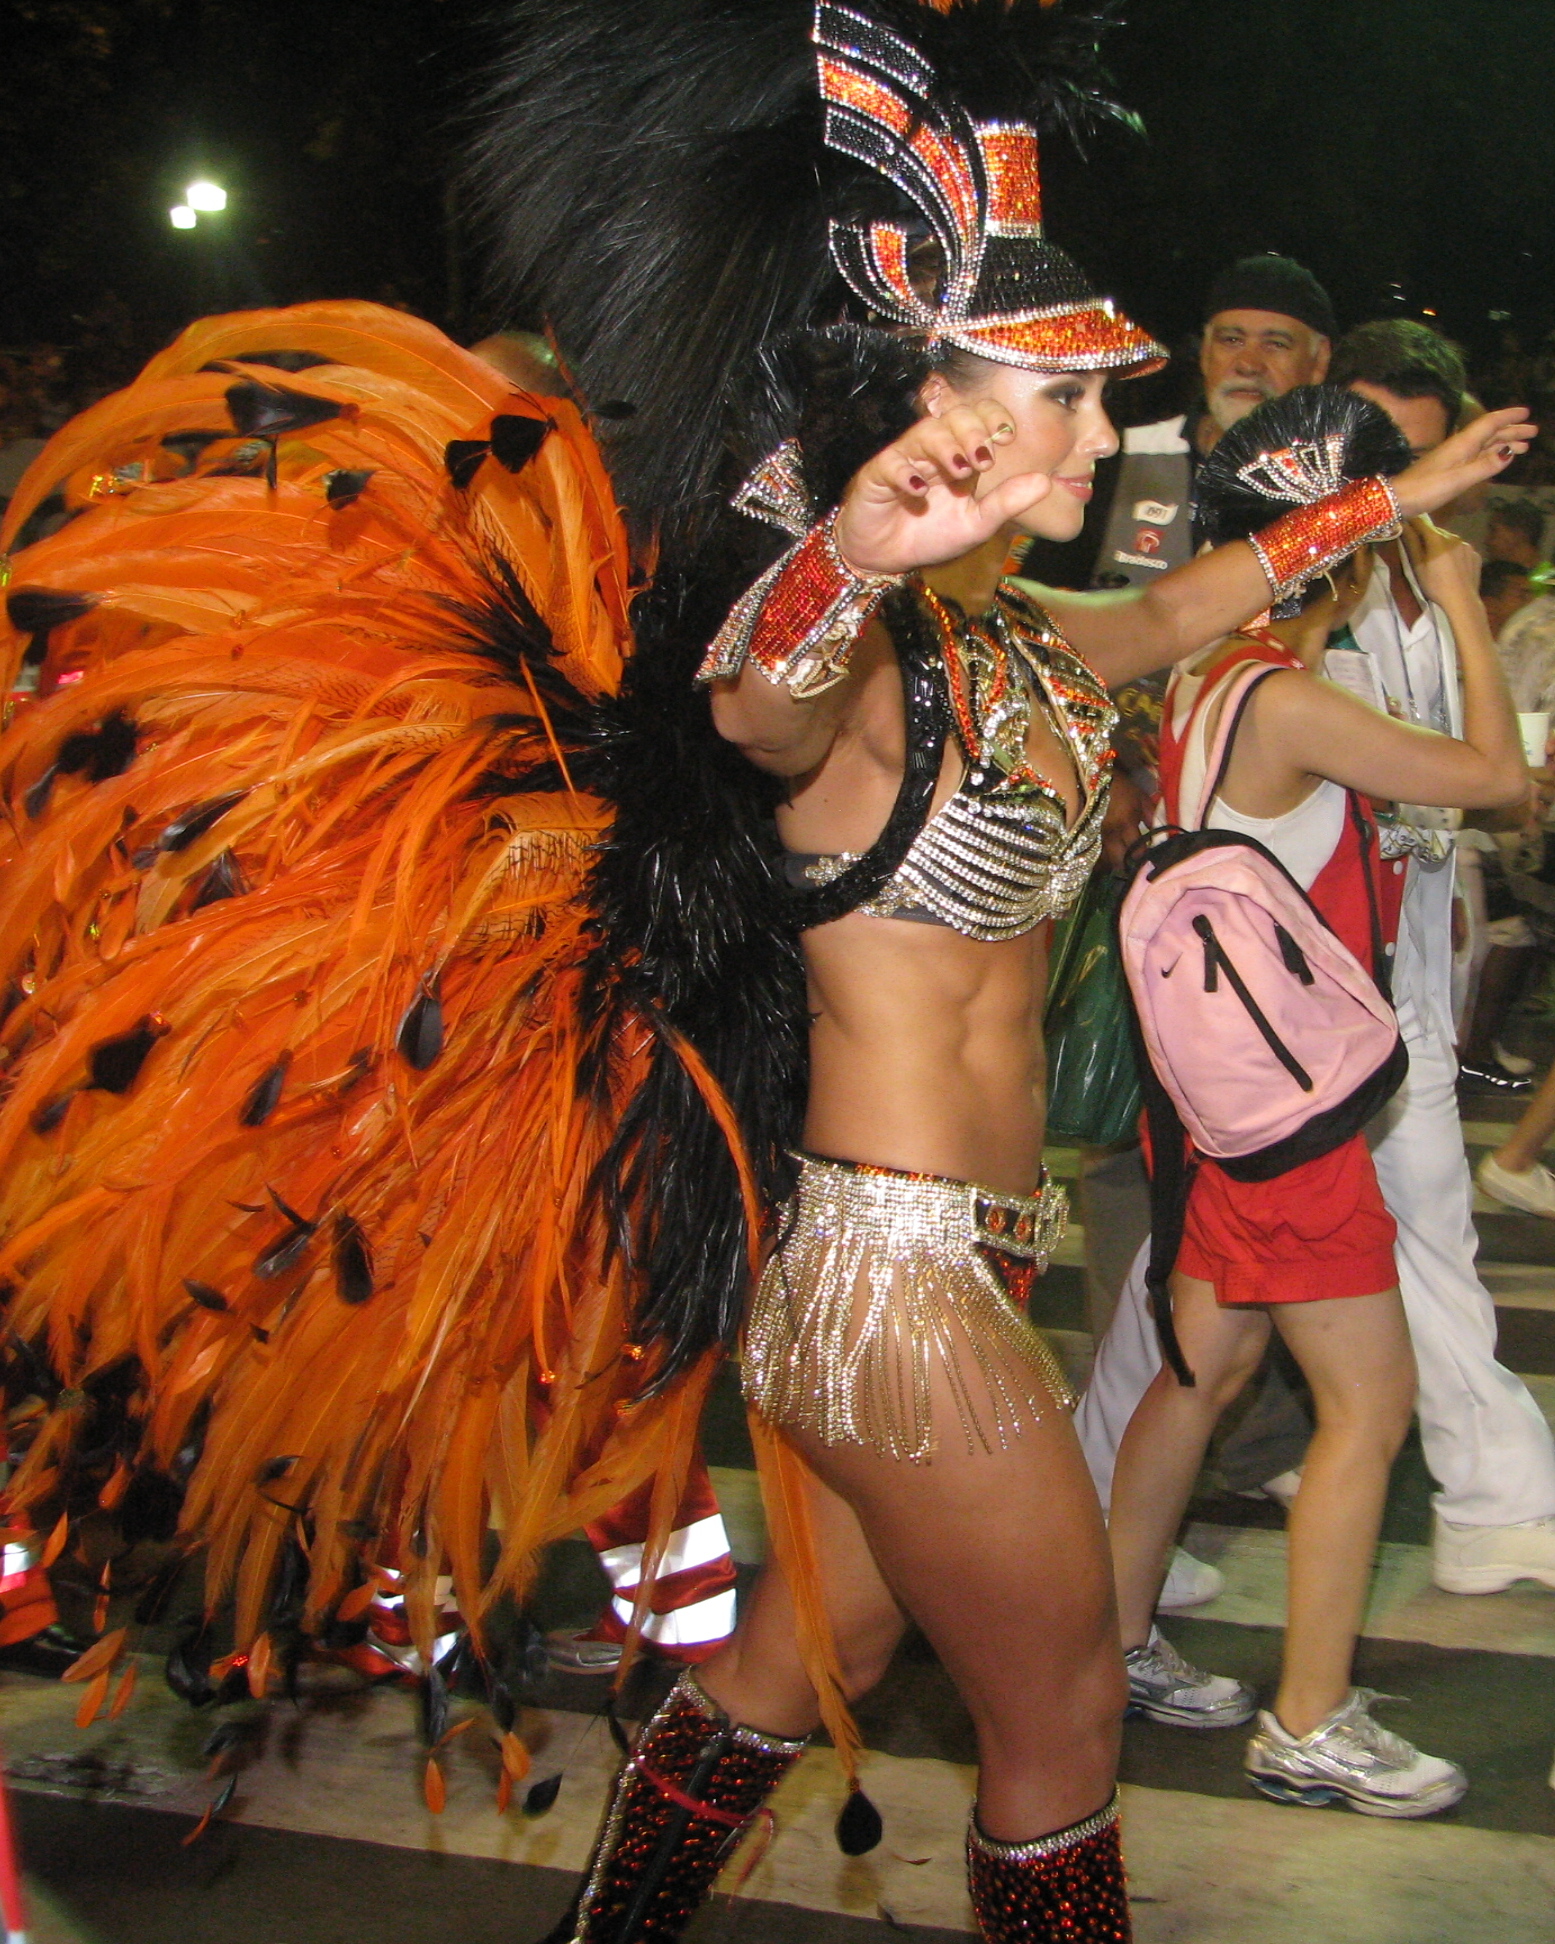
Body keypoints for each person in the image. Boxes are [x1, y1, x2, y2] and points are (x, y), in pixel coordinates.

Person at [0, 4, 1527, 1939]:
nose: (1094, 427)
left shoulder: (1026, 647)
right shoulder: (866, 657)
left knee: (796, 1670)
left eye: (1093, 393)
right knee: (1056, 1721)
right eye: (1050, 393)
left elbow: (1171, 607)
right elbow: (759, 703)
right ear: (928, 409)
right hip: (894, 1282)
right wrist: (855, 558)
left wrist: (1391, 502)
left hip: (924, 1261)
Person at [1080, 318, 1555, 1601]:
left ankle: (1111, 1624)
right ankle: (1309, 1715)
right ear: (1342, 568)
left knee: (1200, 1367)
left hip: (1229, 1077)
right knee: (1363, 1406)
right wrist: (1459, 598)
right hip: (1290, 1092)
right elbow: (1499, 780)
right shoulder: (1289, 700)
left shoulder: (1199, 676)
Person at [1485, 496, 1551, 577]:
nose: (1487, 541)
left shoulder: (1546, 583)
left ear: (1519, 533)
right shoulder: (1489, 576)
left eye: (1494, 531)